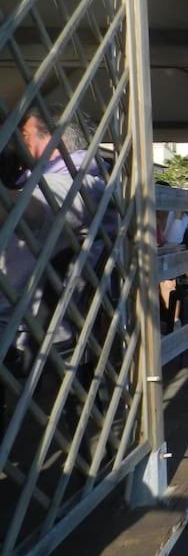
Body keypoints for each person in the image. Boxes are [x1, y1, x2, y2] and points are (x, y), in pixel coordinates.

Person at [0, 107, 113, 373]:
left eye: (23, 136)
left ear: (56, 139)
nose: (14, 144)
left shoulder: (78, 183)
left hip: (22, 332)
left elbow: (26, 209)